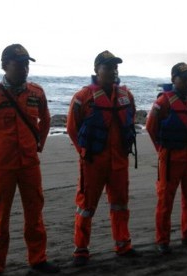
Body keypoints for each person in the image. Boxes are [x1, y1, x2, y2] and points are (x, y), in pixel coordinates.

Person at [0, 44, 59, 276]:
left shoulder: (36, 93)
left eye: (27, 64)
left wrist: (39, 144)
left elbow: (45, 120)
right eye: (19, 64)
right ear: (4, 65)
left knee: (34, 212)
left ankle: (38, 259)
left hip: (29, 164)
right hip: (2, 167)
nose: (25, 69)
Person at [66, 50, 139, 266]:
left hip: (119, 161)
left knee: (120, 205)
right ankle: (81, 250)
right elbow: (72, 128)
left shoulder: (126, 95)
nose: (113, 71)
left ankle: (123, 245)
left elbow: (131, 118)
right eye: (107, 67)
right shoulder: (82, 97)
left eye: (115, 67)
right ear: (96, 70)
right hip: (93, 162)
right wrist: (83, 152)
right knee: (86, 206)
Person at [146, 62, 187, 254]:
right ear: (174, 79)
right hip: (171, 159)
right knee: (165, 201)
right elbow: (151, 127)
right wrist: (161, 150)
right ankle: (162, 240)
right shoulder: (163, 101)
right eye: (184, 78)